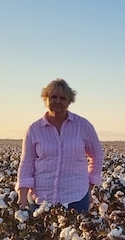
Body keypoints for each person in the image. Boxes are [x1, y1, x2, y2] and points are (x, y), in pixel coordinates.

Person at [16, 78, 104, 213]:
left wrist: (89, 186)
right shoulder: (34, 129)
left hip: (77, 197)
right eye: (53, 97)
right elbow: (27, 163)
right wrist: (22, 197)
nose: (58, 101)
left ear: (69, 101)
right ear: (46, 99)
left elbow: (97, 157)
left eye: (62, 98)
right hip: (40, 198)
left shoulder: (83, 126)